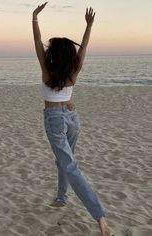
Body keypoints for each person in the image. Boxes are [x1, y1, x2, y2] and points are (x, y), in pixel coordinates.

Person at [32, 2, 113, 236]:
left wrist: (35, 18)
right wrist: (89, 26)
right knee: (64, 161)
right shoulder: (74, 69)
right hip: (72, 117)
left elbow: (37, 43)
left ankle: (100, 217)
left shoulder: (46, 70)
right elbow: (84, 46)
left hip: (55, 119)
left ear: (52, 54)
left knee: (70, 165)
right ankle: (61, 197)